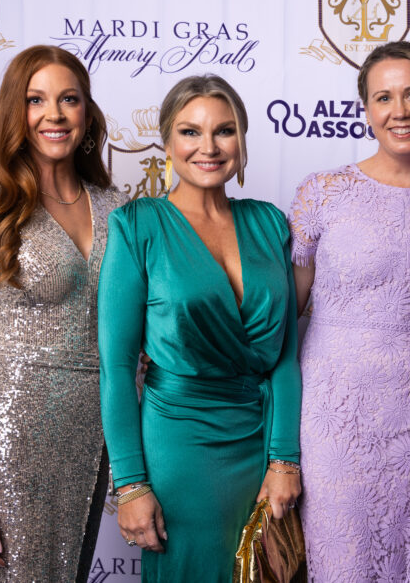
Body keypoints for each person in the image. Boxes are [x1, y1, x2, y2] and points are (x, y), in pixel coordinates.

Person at [98, 74, 301, 581]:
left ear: (242, 139)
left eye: (224, 131)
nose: (208, 147)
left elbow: (285, 357)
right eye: (190, 132)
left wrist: (284, 460)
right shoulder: (138, 225)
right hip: (179, 446)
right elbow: (117, 368)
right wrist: (130, 484)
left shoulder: (270, 223)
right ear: (167, 142)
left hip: (262, 445)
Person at [0, 45, 123, 580]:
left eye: (69, 99)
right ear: (13, 114)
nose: (55, 114)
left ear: (86, 113)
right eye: (36, 100)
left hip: (95, 437)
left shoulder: (118, 208)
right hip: (15, 435)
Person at [289, 41, 410, 581]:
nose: (400, 110)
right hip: (335, 419)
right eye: (383, 97)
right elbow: (284, 311)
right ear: (366, 109)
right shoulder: (322, 193)